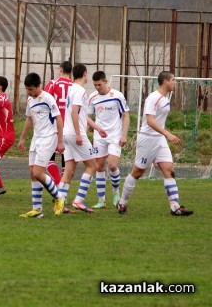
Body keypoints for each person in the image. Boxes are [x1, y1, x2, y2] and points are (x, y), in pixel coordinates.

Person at [118, 71, 193, 216]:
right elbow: (150, 121)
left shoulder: (165, 98)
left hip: (159, 139)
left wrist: (164, 135)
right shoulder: (153, 98)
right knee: (138, 172)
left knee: (169, 170)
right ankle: (122, 203)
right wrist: (168, 134)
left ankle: (175, 207)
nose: (175, 82)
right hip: (147, 139)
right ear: (165, 81)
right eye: (173, 80)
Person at [58, 64, 107, 213]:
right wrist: (79, 134)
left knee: (69, 170)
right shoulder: (80, 90)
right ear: (85, 74)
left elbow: (81, 115)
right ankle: (79, 200)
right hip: (75, 134)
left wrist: (97, 128)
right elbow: (74, 113)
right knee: (92, 166)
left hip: (66, 134)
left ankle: (60, 203)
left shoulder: (71, 89)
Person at [17, 73, 65, 218]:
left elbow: (59, 119)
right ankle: (37, 210)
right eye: (26, 89)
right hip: (36, 139)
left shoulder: (48, 98)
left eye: (30, 89)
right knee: (32, 173)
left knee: (38, 172)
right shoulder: (31, 100)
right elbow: (29, 120)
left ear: (38, 86)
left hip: (48, 138)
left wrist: (60, 141)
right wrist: (22, 139)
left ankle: (59, 197)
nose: (28, 92)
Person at [87, 71, 130, 209]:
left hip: (115, 136)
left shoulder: (117, 96)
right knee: (99, 166)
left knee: (112, 165)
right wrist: (83, 135)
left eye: (99, 84)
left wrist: (124, 135)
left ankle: (116, 193)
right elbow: (87, 118)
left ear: (106, 82)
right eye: (95, 85)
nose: (97, 88)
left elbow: (126, 115)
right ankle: (101, 200)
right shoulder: (92, 97)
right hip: (99, 137)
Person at [43, 61, 74, 185]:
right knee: (66, 159)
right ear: (71, 72)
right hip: (70, 126)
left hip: (54, 125)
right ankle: (63, 189)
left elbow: (45, 103)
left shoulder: (53, 83)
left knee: (49, 158)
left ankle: (57, 184)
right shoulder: (74, 86)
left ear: (60, 70)